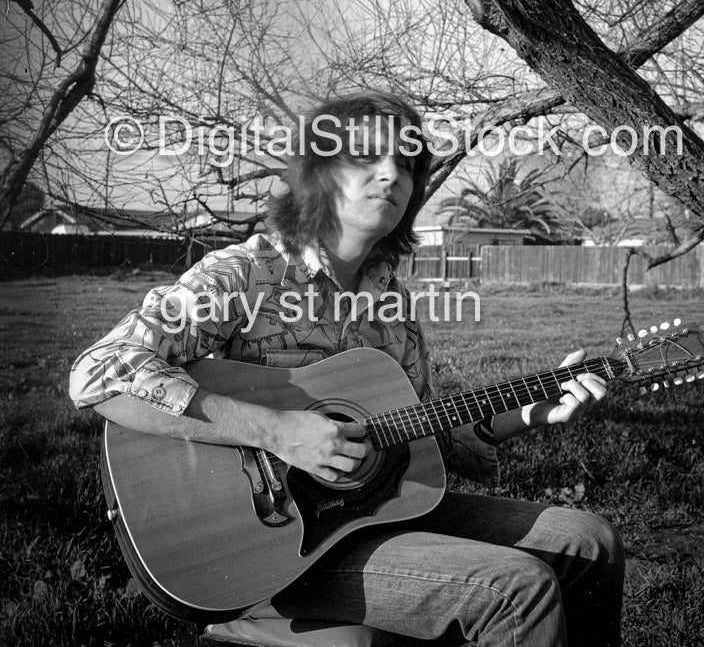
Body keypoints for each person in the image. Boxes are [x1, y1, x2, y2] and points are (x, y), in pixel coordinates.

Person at [70, 92, 624, 647]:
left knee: (588, 540)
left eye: (406, 164)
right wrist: (278, 432)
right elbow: (100, 372)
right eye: (368, 157)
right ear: (318, 173)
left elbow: (429, 435)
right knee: (514, 588)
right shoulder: (243, 275)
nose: (392, 175)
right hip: (271, 547)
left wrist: (531, 412)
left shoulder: (391, 303)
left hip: (368, 515)